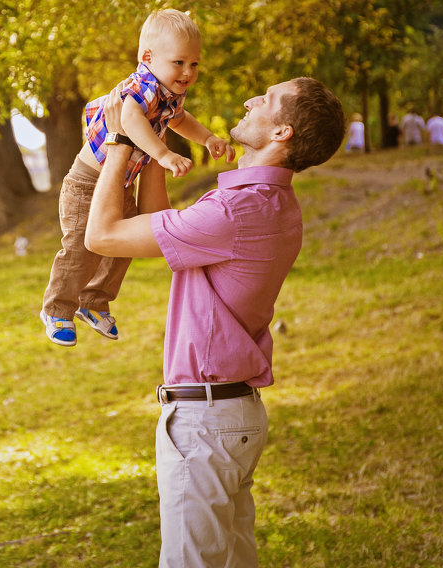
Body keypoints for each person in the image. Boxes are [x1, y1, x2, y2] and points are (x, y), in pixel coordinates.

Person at [84, 76, 346, 567]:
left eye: (266, 100)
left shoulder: (236, 211)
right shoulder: (267, 204)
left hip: (207, 424)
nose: (250, 99)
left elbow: (103, 235)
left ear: (281, 132)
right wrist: (157, 144)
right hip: (230, 416)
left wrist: (120, 139)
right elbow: (163, 233)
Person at [38, 9, 236, 347]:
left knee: (123, 244)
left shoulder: (169, 90)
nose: (188, 72)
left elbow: (178, 118)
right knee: (80, 250)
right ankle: (57, 308)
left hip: (119, 185)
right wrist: (163, 154)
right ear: (147, 58)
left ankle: (94, 302)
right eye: (179, 63)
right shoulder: (142, 86)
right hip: (87, 184)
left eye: (194, 64)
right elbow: (129, 120)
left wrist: (207, 139)